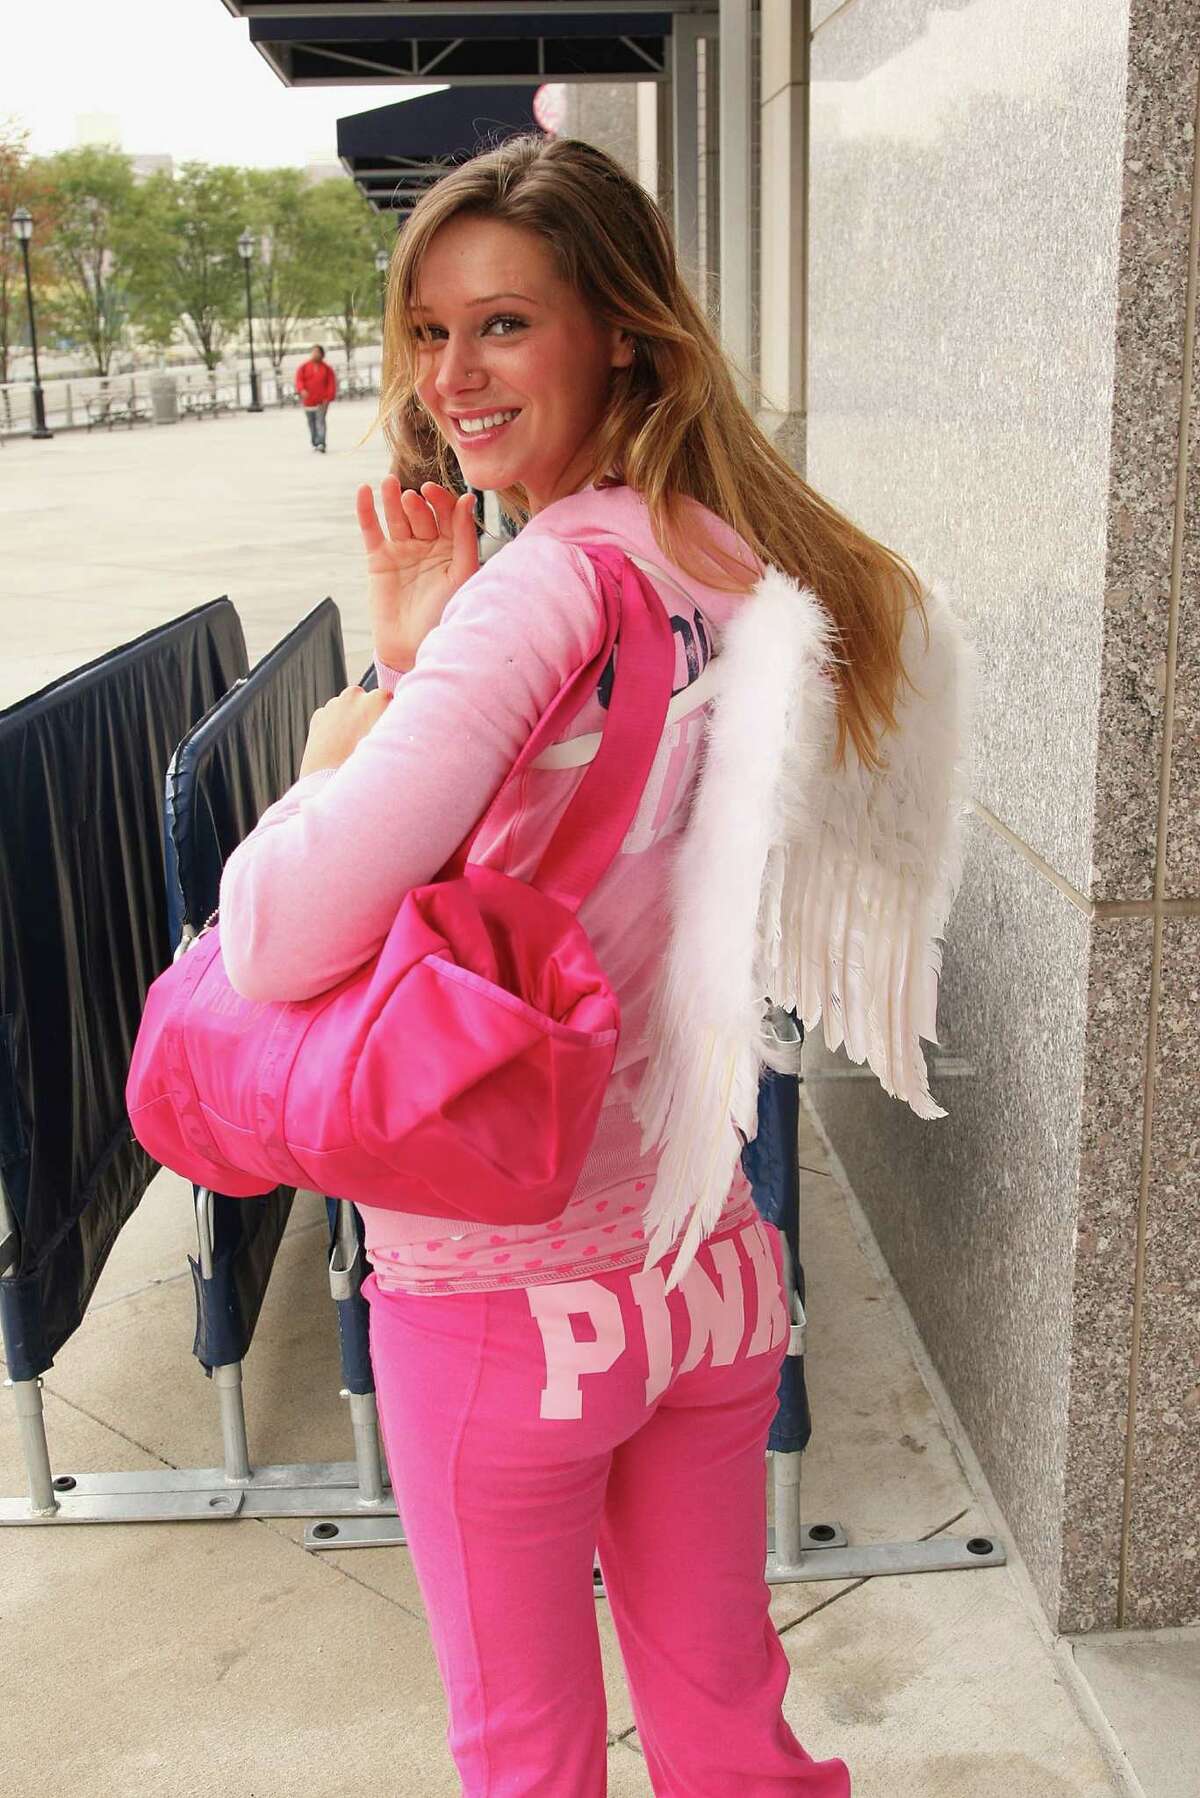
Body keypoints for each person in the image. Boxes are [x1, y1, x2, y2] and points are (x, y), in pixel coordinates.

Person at [219, 135, 969, 1796]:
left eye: (504, 326)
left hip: (506, 1298)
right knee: (727, 1727)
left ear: (617, 329)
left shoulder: (545, 588)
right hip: (709, 1274)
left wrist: (357, 734)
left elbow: (275, 937)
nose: (452, 377)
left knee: (528, 1755)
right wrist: (435, 649)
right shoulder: (719, 554)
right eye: (430, 331)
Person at [294, 343, 336, 452]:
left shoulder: (327, 369)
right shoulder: (303, 367)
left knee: (320, 421)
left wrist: (328, 398)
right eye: (313, 352)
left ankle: (321, 442)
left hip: (322, 401)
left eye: (317, 352)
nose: (315, 354)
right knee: (311, 423)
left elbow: (331, 384)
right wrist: (302, 390)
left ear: (322, 354)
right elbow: (299, 381)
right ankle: (315, 442)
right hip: (308, 401)